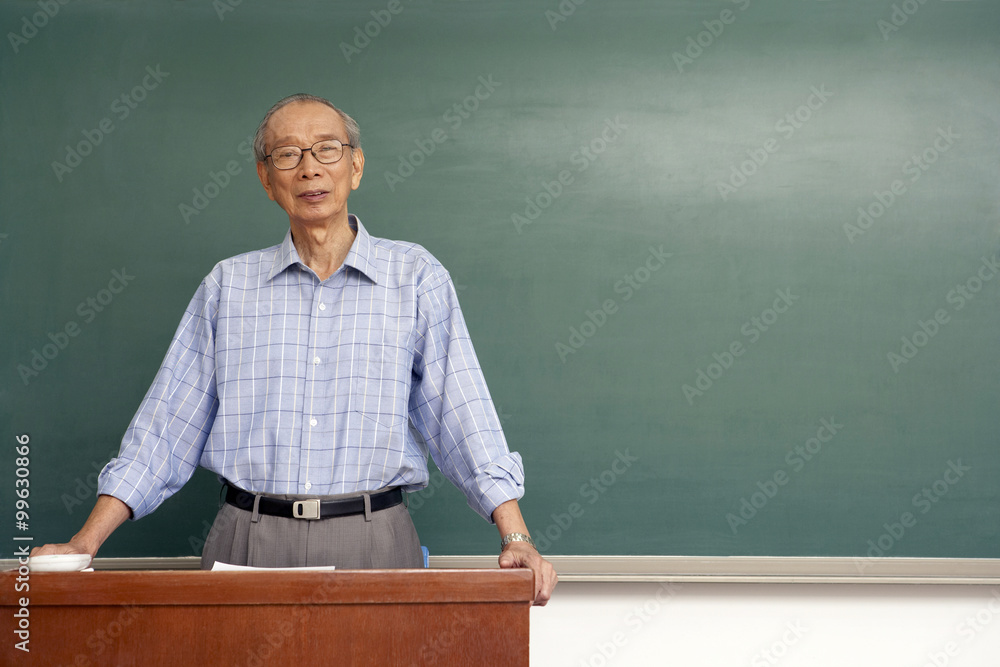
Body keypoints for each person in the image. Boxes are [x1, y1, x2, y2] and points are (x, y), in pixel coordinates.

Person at [33, 93, 557, 605]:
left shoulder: (415, 278)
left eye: (327, 149)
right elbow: (165, 430)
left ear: (356, 167)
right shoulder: (228, 286)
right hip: (247, 538)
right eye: (288, 154)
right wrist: (85, 542)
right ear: (267, 179)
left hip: (373, 540)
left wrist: (517, 538)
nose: (309, 169)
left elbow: (461, 417)